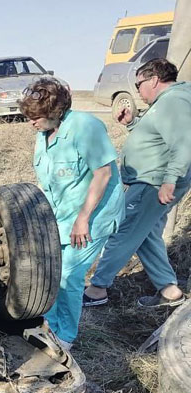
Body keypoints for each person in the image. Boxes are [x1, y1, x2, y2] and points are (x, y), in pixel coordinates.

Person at [19, 78, 125, 348]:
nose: (31, 123)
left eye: (36, 117)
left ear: (55, 111)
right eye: (29, 117)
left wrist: (83, 218)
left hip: (93, 216)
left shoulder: (85, 127)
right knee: (52, 271)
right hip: (62, 217)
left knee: (69, 275)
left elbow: (103, 173)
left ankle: (64, 336)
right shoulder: (43, 134)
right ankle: (49, 323)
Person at [84, 58, 191, 308]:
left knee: (124, 229)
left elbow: (184, 143)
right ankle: (169, 290)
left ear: (154, 79)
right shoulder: (165, 103)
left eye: (139, 83)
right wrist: (132, 123)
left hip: (153, 182)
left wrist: (169, 180)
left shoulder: (174, 101)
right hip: (153, 179)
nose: (137, 90)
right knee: (146, 233)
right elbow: (156, 139)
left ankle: (98, 289)